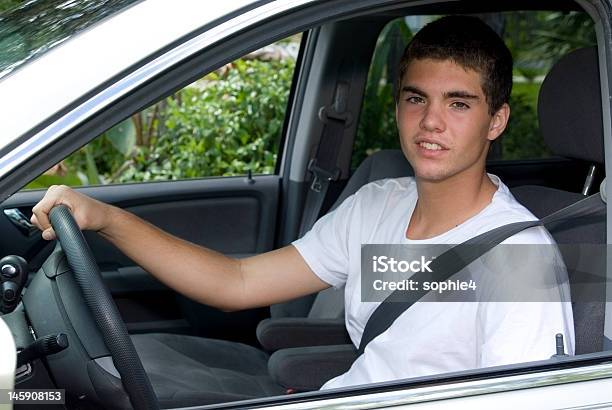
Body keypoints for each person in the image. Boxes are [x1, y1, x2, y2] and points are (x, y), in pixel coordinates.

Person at [30, 15, 574, 389]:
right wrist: (106, 218)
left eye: (459, 103)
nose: (431, 122)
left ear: (496, 120)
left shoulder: (518, 262)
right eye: (416, 98)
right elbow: (237, 283)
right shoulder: (378, 205)